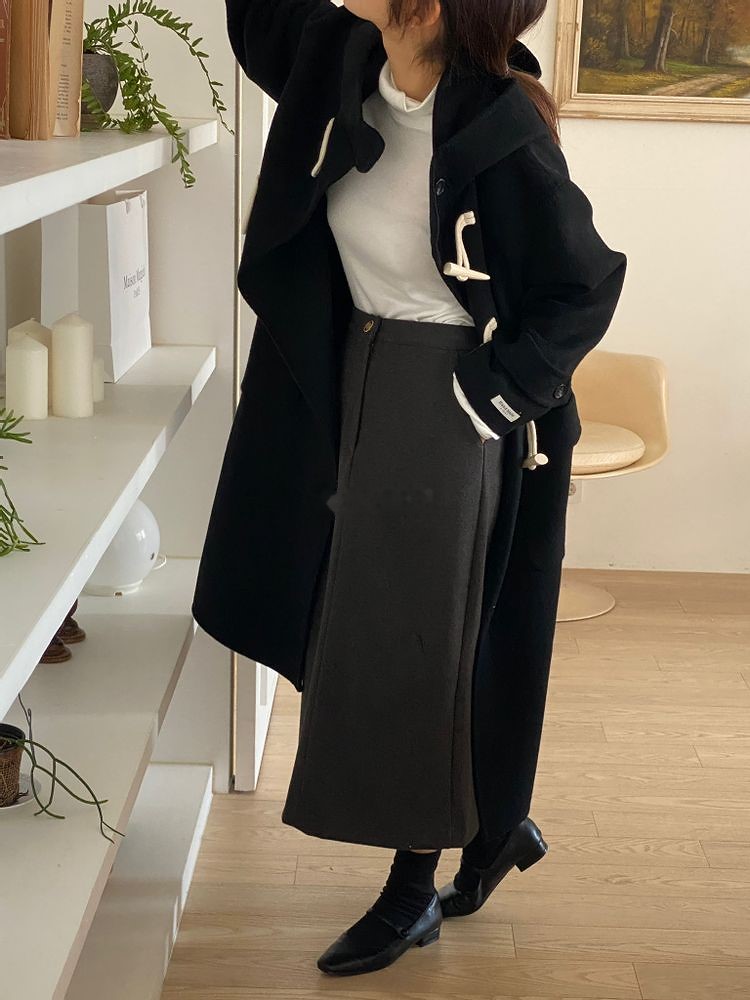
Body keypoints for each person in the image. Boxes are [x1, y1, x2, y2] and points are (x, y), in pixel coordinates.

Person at [193, 0, 627, 978]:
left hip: (446, 396)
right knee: (351, 624)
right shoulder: (339, 54)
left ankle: (412, 884)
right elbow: (256, 20)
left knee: (421, 643)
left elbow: (587, 283)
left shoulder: (501, 126)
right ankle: (491, 824)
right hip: (349, 372)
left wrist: (489, 398)